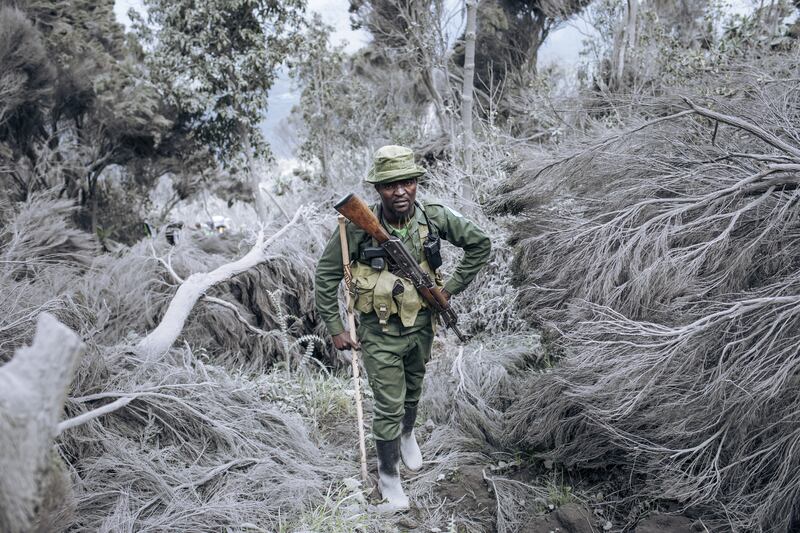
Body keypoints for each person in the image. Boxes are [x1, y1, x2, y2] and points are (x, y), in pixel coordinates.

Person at [314, 145, 491, 511]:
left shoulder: (435, 217)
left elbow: (480, 244)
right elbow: (327, 274)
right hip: (378, 333)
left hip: (421, 325)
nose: (400, 192)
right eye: (390, 185)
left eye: (407, 182)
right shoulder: (355, 228)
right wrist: (335, 326)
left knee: (413, 393)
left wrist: (448, 289)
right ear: (378, 189)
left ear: (416, 183)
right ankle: (390, 480)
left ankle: (408, 434)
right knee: (389, 405)